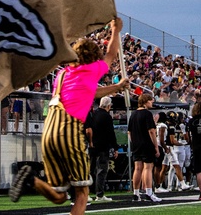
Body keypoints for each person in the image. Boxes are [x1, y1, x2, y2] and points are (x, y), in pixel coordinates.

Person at [13, 18, 129, 215]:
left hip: (49, 130)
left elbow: (90, 92)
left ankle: (31, 180)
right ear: (93, 57)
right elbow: (111, 53)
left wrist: (116, 88)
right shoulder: (92, 69)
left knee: (59, 196)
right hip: (70, 128)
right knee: (82, 193)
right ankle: (32, 180)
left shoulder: (63, 75)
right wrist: (116, 30)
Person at [128, 93, 161, 202]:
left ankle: (136, 193)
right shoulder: (147, 114)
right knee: (148, 167)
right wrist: (156, 146)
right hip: (146, 143)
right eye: (151, 101)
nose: (152, 103)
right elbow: (151, 131)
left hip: (136, 144)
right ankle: (148, 192)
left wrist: (134, 141)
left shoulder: (133, 114)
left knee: (137, 168)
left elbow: (129, 132)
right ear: (146, 102)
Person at [86, 96, 117, 202]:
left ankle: (86, 193)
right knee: (101, 171)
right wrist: (115, 147)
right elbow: (111, 133)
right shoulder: (107, 116)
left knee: (90, 170)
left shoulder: (93, 114)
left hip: (92, 146)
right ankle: (99, 194)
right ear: (108, 105)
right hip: (103, 147)